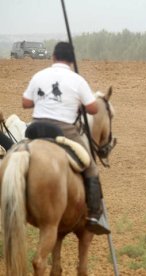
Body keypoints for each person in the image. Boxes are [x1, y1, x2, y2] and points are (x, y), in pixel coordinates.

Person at [22, 41, 109, 235]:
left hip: (35, 128)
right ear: (71, 61)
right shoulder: (77, 80)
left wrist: (43, 100)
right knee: (91, 166)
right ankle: (94, 214)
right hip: (63, 130)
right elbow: (94, 109)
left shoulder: (39, 75)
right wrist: (78, 102)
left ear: (53, 57)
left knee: (15, 153)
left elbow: (25, 102)